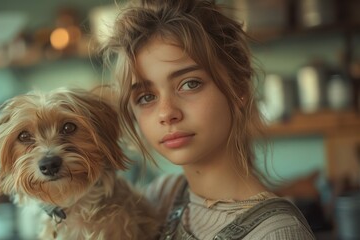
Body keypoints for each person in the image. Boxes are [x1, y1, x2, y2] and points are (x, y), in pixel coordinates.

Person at [100, 0, 315, 239]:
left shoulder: (276, 233)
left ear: (238, 89)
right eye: (146, 97)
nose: (166, 113)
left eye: (190, 84)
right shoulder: (164, 197)